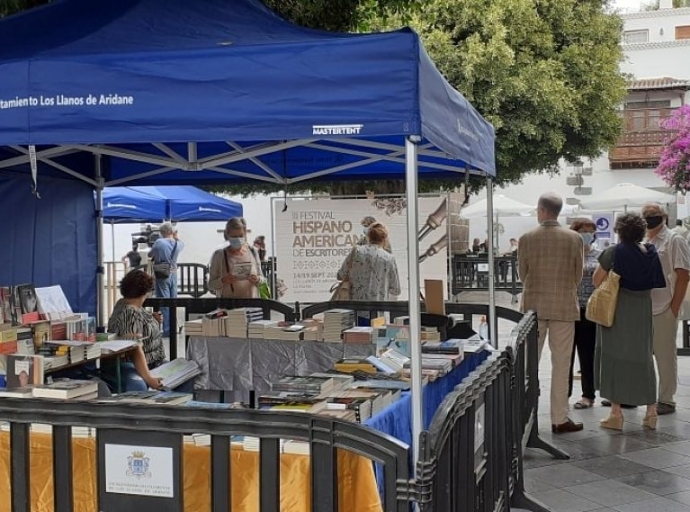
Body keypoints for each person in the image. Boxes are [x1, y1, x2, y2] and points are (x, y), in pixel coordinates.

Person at [593, 213, 666, 430]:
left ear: (619, 231)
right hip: (642, 310)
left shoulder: (613, 253)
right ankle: (651, 412)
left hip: (618, 309)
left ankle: (616, 414)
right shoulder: (650, 252)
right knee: (644, 358)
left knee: (614, 357)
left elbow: (598, 281)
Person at [518, 192, 584, 433]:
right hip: (564, 306)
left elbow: (521, 274)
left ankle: (525, 416)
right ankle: (559, 418)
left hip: (533, 308)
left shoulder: (527, 238)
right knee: (562, 363)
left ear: (542, 210)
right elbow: (578, 274)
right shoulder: (574, 238)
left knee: (528, 364)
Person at [642, 203, 690, 415]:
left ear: (663, 217)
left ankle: (666, 399)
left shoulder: (674, 240)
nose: (650, 219)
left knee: (665, 355)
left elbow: (683, 274)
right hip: (643, 306)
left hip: (664, 306)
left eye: (654, 215)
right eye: (646, 216)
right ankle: (645, 394)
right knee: (643, 355)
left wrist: (674, 307)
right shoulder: (644, 240)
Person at [106, 270, 166, 392]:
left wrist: (153, 321)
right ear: (146, 292)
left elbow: (140, 322)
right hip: (139, 366)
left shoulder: (124, 304)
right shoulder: (130, 312)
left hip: (153, 363)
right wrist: (149, 379)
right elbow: (134, 348)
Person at [567, 219, 601, 409]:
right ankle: (564, 393)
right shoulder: (568, 254)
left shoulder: (600, 255)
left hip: (590, 310)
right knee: (566, 354)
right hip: (570, 309)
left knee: (587, 355)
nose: (588, 234)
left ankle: (588, 394)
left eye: (591, 231)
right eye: (583, 231)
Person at [337, 222, 400, 323]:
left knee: (356, 336)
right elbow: (396, 289)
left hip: (356, 312)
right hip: (379, 314)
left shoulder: (356, 252)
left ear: (368, 236)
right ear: (384, 239)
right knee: (378, 337)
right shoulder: (389, 258)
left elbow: (340, 275)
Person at [208, 217, 265, 298]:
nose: (238, 239)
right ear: (228, 235)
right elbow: (211, 285)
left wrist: (257, 279)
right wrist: (223, 281)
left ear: (245, 234)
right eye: (234, 236)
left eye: (241, 235)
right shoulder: (219, 255)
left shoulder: (253, 252)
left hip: (252, 305)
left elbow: (263, 280)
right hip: (229, 306)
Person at [148, 222, 184, 337]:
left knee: (164, 302)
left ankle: (168, 330)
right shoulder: (178, 244)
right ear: (172, 232)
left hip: (162, 274)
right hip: (174, 274)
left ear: (162, 232)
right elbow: (181, 243)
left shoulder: (159, 242)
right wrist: (176, 236)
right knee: (173, 301)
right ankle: (173, 327)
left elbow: (150, 254)